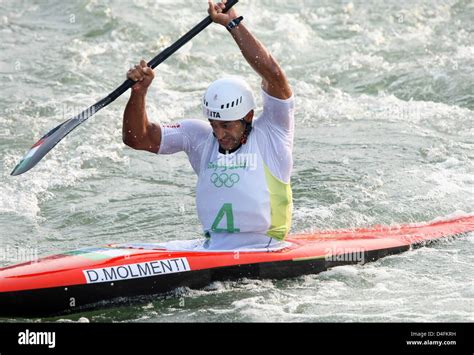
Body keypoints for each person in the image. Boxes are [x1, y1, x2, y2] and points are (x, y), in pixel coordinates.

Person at [122, 0, 295, 250]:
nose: (218, 133)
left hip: (267, 247)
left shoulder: (273, 133)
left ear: (247, 117)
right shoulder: (199, 136)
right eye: (213, 124)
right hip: (212, 248)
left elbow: (274, 76)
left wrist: (233, 23)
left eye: (226, 125)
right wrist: (138, 92)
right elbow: (137, 138)